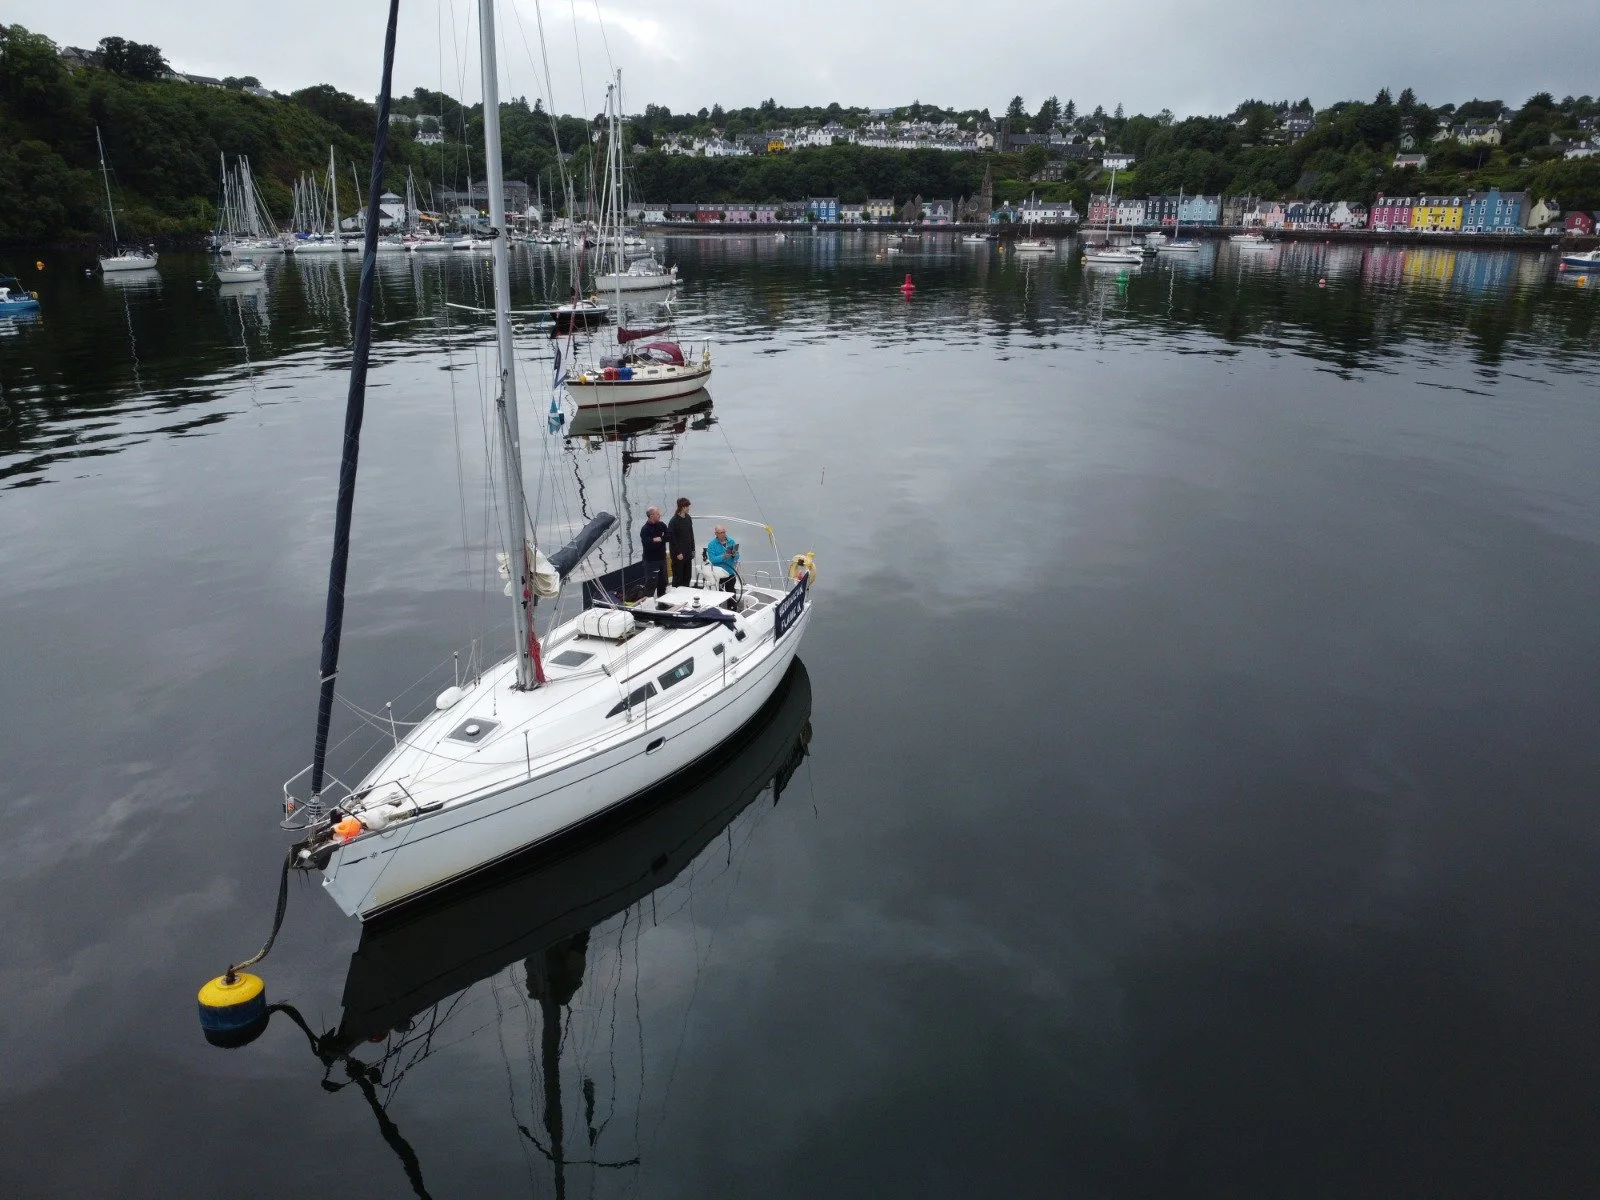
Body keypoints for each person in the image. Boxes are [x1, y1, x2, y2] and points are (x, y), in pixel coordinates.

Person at [639, 505, 669, 597]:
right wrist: (660, 540)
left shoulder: (662, 525)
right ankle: (647, 604)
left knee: (663, 583)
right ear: (651, 516)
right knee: (651, 584)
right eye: (658, 514)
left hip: (662, 559)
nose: (660, 515)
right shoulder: (645, 530)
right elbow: (649, 546)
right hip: (651, 562)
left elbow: (669, 536)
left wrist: (659, 539)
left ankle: (662, 603)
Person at [666, 496, 694, 587]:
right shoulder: (674, 521)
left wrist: (693, 549)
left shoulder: (688, 518)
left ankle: (686, 595)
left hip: (687, 552)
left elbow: (691, 534)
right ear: (682, 507)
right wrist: (678, 553)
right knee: (678, 577)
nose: (688, 508)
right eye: (687, 507)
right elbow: (672, 539)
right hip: (678, 555)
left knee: (687, 576)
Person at [706, 525, 740, 591]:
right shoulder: (712, 544)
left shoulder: (731, 541)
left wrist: (734, 555)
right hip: (718, 574)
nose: (723, 534)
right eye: (720, 533)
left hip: (730, 572)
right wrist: (723, 557)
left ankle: (732, 602)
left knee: (731, 593)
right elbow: (712, 559)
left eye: (724, 532)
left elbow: (737, 556)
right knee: (719, 594)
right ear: (716, 534)